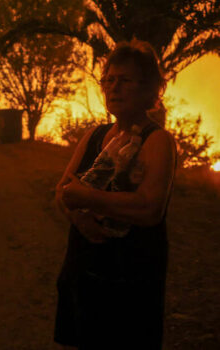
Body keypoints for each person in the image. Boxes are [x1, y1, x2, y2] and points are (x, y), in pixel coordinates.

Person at [54, 39, 176, 350]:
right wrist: (81, 222)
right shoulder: (94, 135)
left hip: (130, 277)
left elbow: (149, 209)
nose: (114, 87)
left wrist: (87, 199)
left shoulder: (157, 140)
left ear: (150, 89)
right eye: (109, 79)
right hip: (84, 268)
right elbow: (63, 191)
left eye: (125, 80)